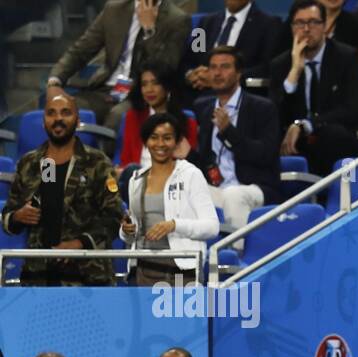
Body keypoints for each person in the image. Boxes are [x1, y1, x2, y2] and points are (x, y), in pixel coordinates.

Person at [0, 93, 121, 287]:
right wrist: (17, 217)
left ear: (77, 120)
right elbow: (8, 214)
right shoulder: (29, 163)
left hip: (87, 278)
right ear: (43, 122)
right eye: (51, 113)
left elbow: (114, 217)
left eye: (65, 113)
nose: (58, 119)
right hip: (38, 278)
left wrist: (80, 243)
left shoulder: (98, 163)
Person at [46, 0, 190, 128]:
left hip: (142, 93)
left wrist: (149, 31)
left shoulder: (177, 20)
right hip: (104, 90)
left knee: (118, 117)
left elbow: (166, 68)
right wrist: (55, 81)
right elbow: (80, 50)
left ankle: (105, 158)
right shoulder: (113, 9)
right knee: (65, 110)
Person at [189, 46, 283, 240]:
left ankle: (237, 259)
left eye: (224, 67)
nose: (217, 72)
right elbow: (206, 162)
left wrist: (229, 132)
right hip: (218, 187)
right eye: (213, 67)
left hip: (255, 186)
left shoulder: (262, 108)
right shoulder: (204, 108)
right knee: (184, 189)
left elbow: (265, 155)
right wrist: (187, 153)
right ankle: (191, 260)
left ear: (239, 72)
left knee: (233, 195)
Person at [271, 0, 358, 177]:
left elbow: (354, 110)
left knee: (332, 135)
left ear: (325, 26)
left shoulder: (348, 57)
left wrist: (305, 125)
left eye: (314, 22)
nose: (306, 29)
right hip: (297, 142)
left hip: (336, 138)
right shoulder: (281, 64)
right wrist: (294, 73)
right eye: (300, 23)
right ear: (292, 27)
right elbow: (275, 115)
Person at [120, 113, 220, 286]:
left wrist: (174, 225)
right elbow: (134, 233)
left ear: (176, 142)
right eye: (154, 138)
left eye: (167, 138)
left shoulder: (191, 175)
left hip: (181, 270)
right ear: (145, 142)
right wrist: (126, 231)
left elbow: (212, 227)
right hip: (143, 268)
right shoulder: (135, 180)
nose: (160, 144)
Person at [184, 0, 281, 96]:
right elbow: (190, 58)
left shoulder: (269, 24)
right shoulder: (205, 22)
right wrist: (191, 74)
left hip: (243, 96)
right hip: (201, 92)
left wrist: (221, 77)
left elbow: (267, 67)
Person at [117, 65, 198, 171]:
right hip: (136, 177)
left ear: (167, 87)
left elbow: (190, 166)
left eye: (155, 83)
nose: (149, 90)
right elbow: (126, 159)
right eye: (144, 84)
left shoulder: (187, 123)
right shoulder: (133, 117)